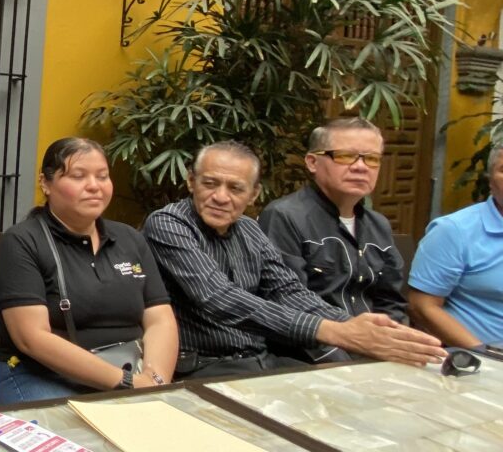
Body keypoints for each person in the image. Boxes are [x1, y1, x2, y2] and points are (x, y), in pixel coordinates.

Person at [142, 141, 444, 379]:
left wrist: (355, 327)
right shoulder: (169, 223)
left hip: (261, 359)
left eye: (235, 188)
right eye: (210, 183)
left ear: (254, 194)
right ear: (191, 182)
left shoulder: (248, 228)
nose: (221, 197)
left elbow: (288, 291)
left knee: (355, 397)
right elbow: (218, 297)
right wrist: (335, 332)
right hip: (204, 365)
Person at [0, 138, 177, 402]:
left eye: (102, 176)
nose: (94, 186)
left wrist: (155, 380)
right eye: (78, 176)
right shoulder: (23, 241)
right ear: (45, 183)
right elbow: (31, 337)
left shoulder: (129, 238)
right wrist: (127, 383)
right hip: (47, 374)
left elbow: (160, 318)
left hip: (131, 369)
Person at [258, 119, 407, 361]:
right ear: (312, 162)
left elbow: (391, 303)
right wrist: (346, 364)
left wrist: (393, 350)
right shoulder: (284, 216)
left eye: (371, 158)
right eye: (346, 156)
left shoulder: (378, 225)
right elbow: (286, 304)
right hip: (310, 358)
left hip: (372, 356)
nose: (361, 167)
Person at [408, 144, 503, 348]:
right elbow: (422, 306)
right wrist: (485, 355)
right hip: (480, 360)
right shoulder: (454, 230)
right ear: (490, 180)